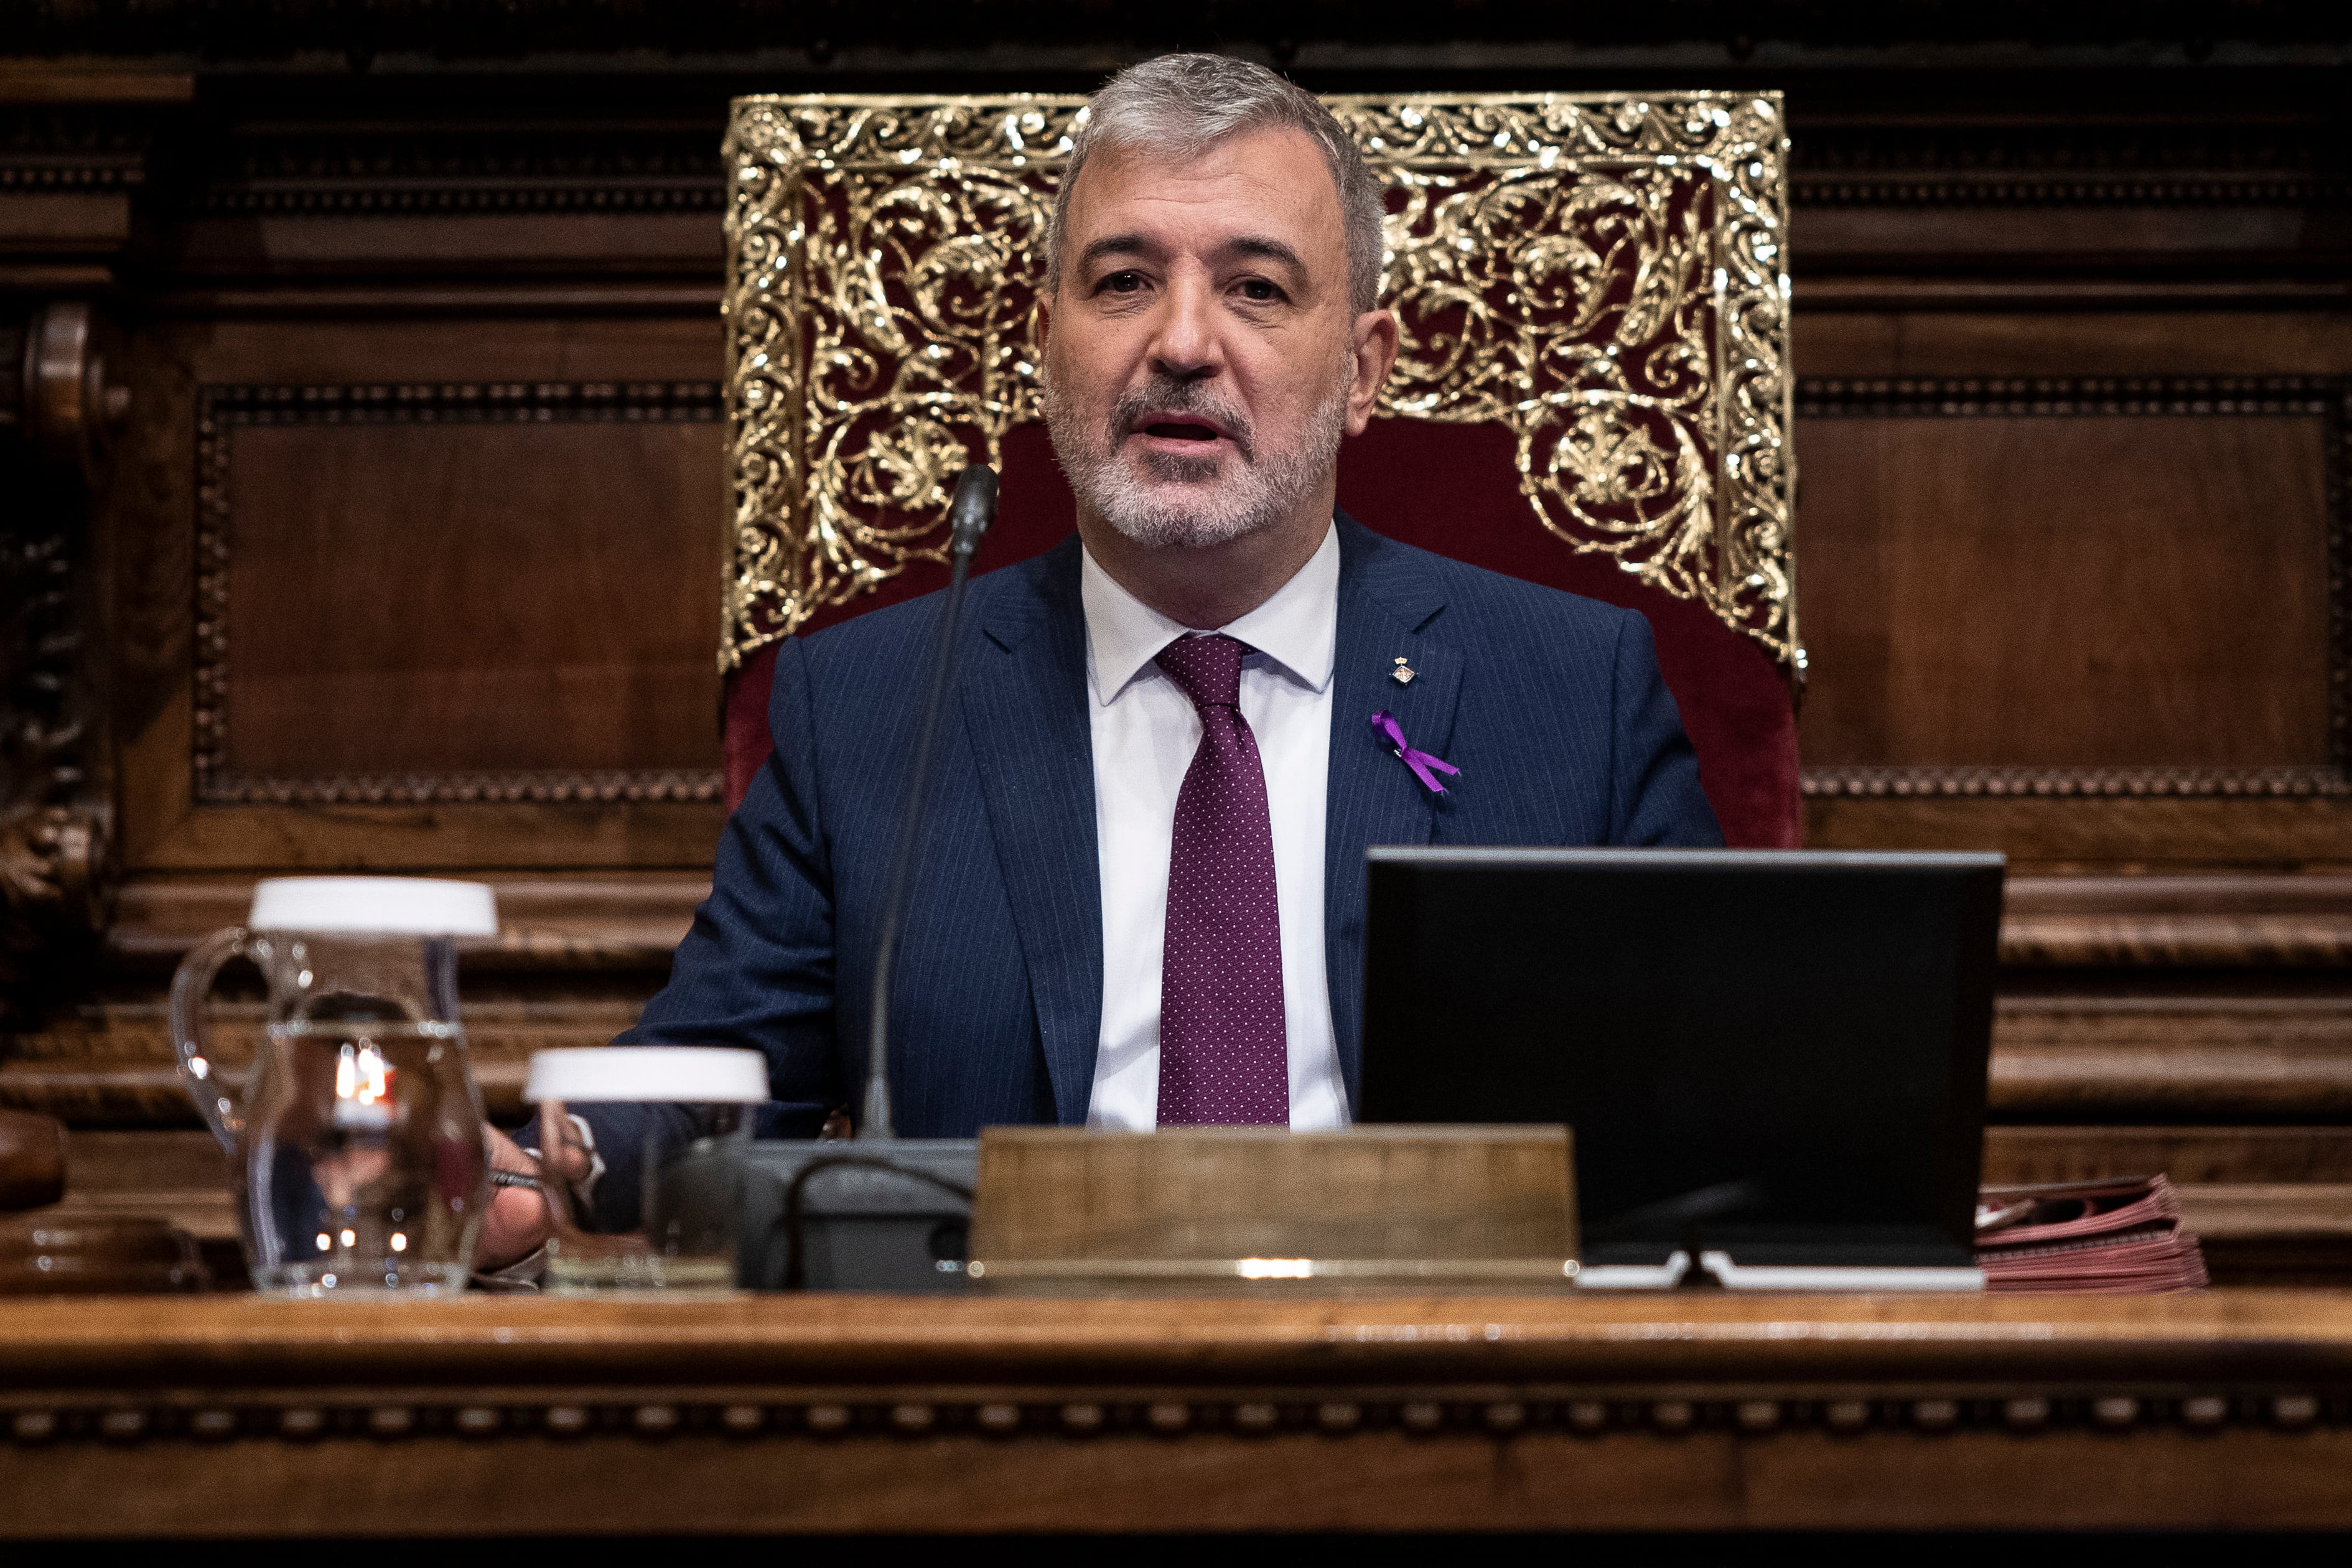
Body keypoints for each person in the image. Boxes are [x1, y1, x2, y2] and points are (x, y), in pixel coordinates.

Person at [480, 52, 1719, 1264]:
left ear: (1363, 369)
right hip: (1008, 1416)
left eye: (1258, 290)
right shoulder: (871, 707)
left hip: (1447, 1408)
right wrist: (534, 1180)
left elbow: (1704, 1118)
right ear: (1045, 341)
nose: (1182, 342)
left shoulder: (1572, 690)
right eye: (1124, 281)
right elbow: (718, 1071)